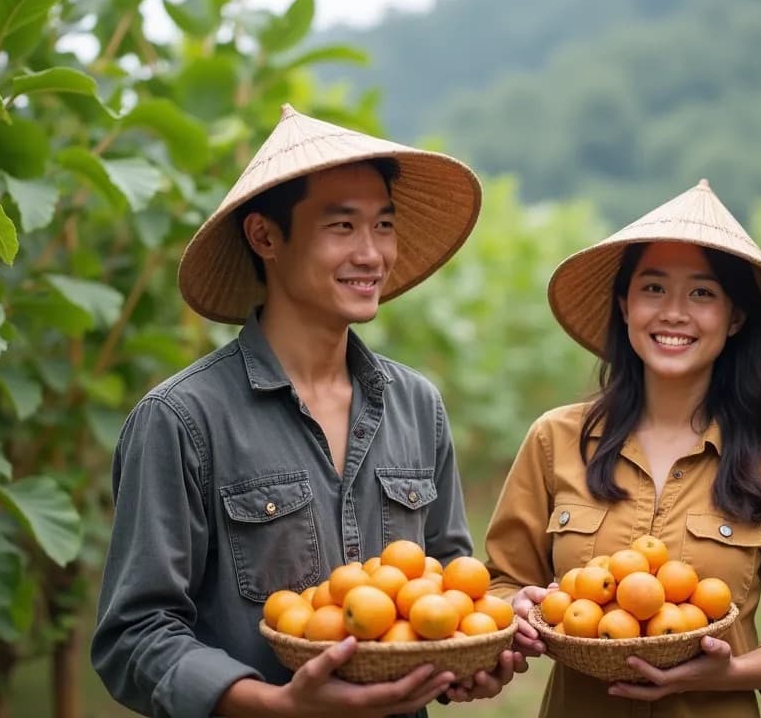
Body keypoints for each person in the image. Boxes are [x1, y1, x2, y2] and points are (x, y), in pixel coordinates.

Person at [91, 105, 521, 717]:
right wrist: (278, 704)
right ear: (265, 236)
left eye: (383, 225)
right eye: (342, 227)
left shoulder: (416, 405)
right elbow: (135, 636)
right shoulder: (181, 420)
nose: (372, 254)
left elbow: (450, 577)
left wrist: (470, 655)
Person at [484, 179, 761, 717]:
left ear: (735, 317)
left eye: (702, 293)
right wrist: (511, 609)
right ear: (624, 306)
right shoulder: (554, 440)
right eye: (653, 288)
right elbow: (500, 583)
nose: (674, 312)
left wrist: (734, 671)